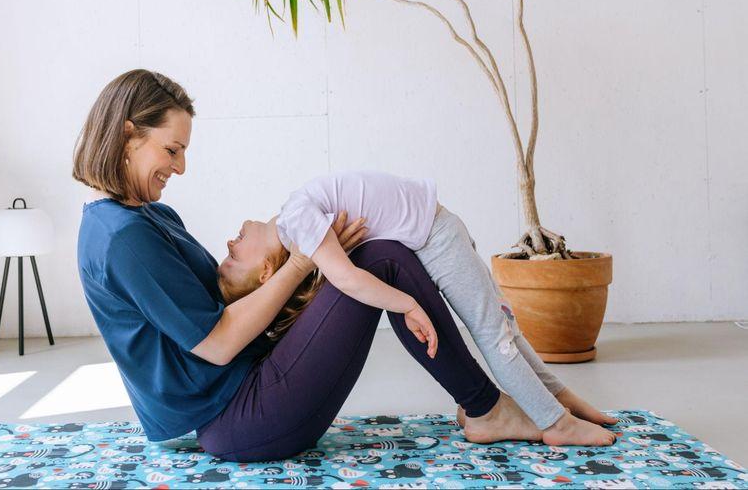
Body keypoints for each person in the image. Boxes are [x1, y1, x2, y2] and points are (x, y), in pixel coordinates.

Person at [72, 69, 598, 462]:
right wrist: (305, 259)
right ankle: (486, 408)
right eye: (172, 150)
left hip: (244, 392)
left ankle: (509, 399)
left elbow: (221, 299)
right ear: (128, 135)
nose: (181, 166)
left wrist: (316, 257)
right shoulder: (121, 238)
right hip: (238, 418)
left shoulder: (147, 216)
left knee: (375, 254)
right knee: (383, 257)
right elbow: (217, 342)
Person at [216, 170, 618, 447]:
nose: (230, 243)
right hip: (437, 238)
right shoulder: (298, 221)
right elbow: (349, 279)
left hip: (439, 231)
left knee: (504, 328)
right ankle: (556, 423)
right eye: (233, 258)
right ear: (266, 271)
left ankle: (562, 400)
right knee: (498, 335)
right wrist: (406, 303)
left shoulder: (297, 220)